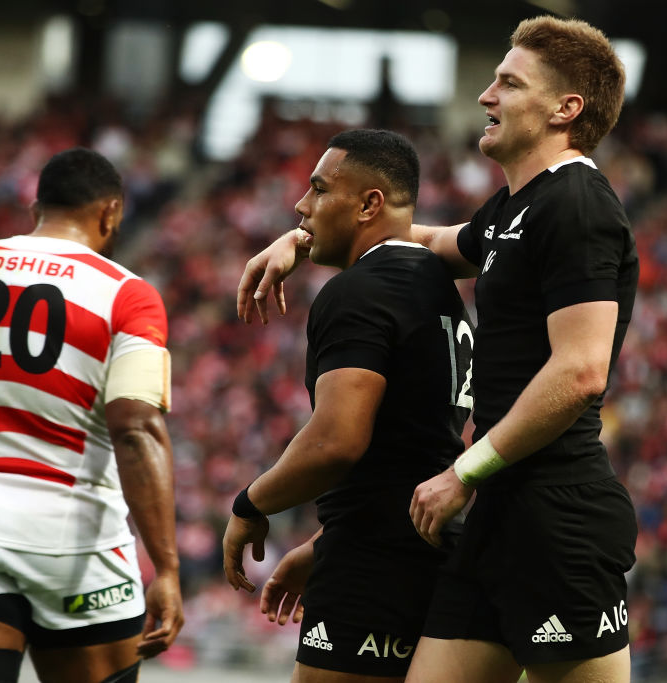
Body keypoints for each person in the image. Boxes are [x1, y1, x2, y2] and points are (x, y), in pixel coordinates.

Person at [236, 16, 638, 683]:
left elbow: (581, 371)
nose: (486, 95)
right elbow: (417, 240)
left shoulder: (579, 205)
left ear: (566, 109)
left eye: (509, 83)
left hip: (558, 515)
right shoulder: (515, 208)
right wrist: (301, 241)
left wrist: (463, 473)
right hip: (496, 517)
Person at [0, 147, 183, 683]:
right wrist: (166, 567)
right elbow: (135, 428)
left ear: (36, 211)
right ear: (111, 213)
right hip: (74, 544)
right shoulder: (128, 296)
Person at [222, 129, 473, 683]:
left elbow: (337, 442)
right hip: (429, 546)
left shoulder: (358, 291)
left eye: (318, 189)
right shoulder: (438, 286)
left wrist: (250, 504)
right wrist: (322, 543)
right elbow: (409, 449)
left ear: (368, 205)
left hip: (374, 563)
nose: (300, 205)